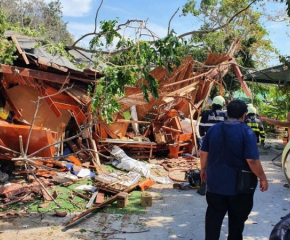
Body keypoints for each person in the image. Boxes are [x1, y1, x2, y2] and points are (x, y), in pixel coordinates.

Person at [200, 99, 268, 240]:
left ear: (227, 113)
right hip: (239, 189)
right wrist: (263, 178)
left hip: (215, 185)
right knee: (236, 225)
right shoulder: (246, 132)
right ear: (244, 115)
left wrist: (203, 169)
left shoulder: (213, 130)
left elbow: (203, 153)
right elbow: (252, 161)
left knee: (213, 220)